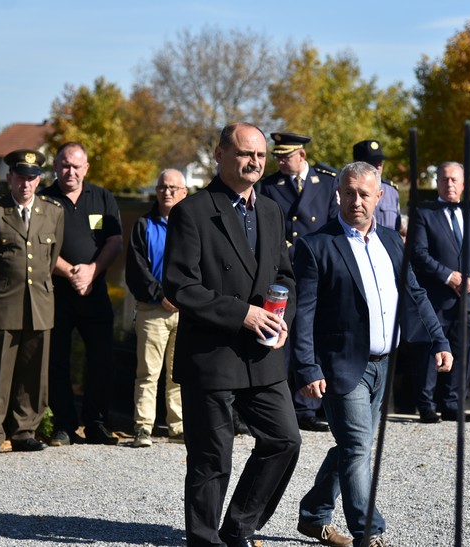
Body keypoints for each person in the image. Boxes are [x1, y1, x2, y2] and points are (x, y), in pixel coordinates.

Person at [293, 161, 452, 547]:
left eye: (364, 194)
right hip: (342, 367)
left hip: (384, 364)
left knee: (353, 446)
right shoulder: (316, 245)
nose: (356, 201)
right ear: (338, 194)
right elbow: (304, 313)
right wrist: (307, 366)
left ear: (379, 196)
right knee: (358, 447)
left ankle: (313, 515)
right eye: (348, 193)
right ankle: (370, 532)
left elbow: (415, 293)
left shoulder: (393, 242)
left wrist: (439, 340)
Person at [163, 122, 301, 547]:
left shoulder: (272, 211)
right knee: (211, 458)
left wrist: (281, 319)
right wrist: (243, 314)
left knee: (285, 440)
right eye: (245, 153)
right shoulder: (192, 211)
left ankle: (239, 526)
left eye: (260, 155)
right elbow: (180, 286)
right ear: (220, 155)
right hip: (212, 354)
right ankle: (204, 540)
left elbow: (285, 277)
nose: (254, 162)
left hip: (262, 353)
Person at [0, 149, 64, 457]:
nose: (26, 184)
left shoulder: (53, 212)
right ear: (10, 178)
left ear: (39, 180)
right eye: (20, 178)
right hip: (3, 303)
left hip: (40, 303)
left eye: (32, 178)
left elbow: (51, 258)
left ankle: (25, 432)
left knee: (34, 373)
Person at [38, 142, 123, 445]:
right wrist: (71, 272)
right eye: (64, 165)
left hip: (94, 290)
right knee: (56, 360)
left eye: (76, 166)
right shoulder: (43, 199)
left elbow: (114, 241)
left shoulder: (102, 197)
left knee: (101, 358)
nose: (70, 171)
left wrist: (91, 271)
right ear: (55, 166)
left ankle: (96, 423)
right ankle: (64, 424)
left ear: (86, 168)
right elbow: (39, 246)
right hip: (56, 292)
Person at [260, 131, 338, 432]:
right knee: (282, 336)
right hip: (283, 269)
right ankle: (278, 407)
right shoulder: (269, 186)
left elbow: (332, 226)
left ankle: (307, 407)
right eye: (277, 157)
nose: (279, 162)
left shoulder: (327, 183)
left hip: (315, 269)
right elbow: (268, 228)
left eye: (285, 157)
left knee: (311, 335)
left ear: (302, 155)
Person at [411, 161, 470, 423]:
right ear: (438, 183)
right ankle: (426, 404)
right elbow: (419, 253)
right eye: (444, 179)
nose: (449, 184)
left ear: (463, 184)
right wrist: (449, 276)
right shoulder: (424, 213)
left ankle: (452, 403)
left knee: (463, 350)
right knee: (431, 349)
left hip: (467, 297)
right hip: (436, 297)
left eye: (454, 179)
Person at [125, 168, 187, 447]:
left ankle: (178, 427)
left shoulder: (191, 224)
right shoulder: (144, 225)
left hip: (184, 311)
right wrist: (161, 295)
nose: (167, 192)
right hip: (152, 310)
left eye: (173, 188)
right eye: (162, 187)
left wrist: (184, 297)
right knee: (148, 373)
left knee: (179, 374)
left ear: (184, 192)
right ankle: (143, 428)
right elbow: (136, 268)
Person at [352, 139, 401, 234]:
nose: (378, 166)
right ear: (356, 164)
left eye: (380, 162)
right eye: (372, 162)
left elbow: (397, 228)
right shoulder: (345, 190)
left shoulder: (391, 191)